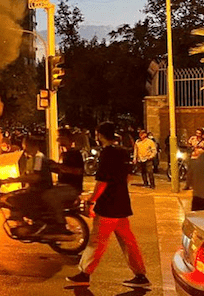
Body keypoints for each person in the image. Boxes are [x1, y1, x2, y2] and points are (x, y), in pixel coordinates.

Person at [67, 122, 149, 288]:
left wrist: (92, 200)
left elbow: (102, 181)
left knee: (97, 241)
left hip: (108, 205)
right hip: (122, 203)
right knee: (128, 241)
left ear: (100, 135)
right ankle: (140, 275)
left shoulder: (106, 153)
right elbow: (128, 177)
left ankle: (84, 273)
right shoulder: (123, 152)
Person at [1, 136, 69, 235]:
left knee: (17, 200)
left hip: (40, 190)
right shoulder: (32, 159)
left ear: (32, 146)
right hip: (34, 189)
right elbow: (27, 175)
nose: (24, 150)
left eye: (25, 147)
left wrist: (15, 180)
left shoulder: (38, 158)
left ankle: (34, 224)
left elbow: (35, 177)